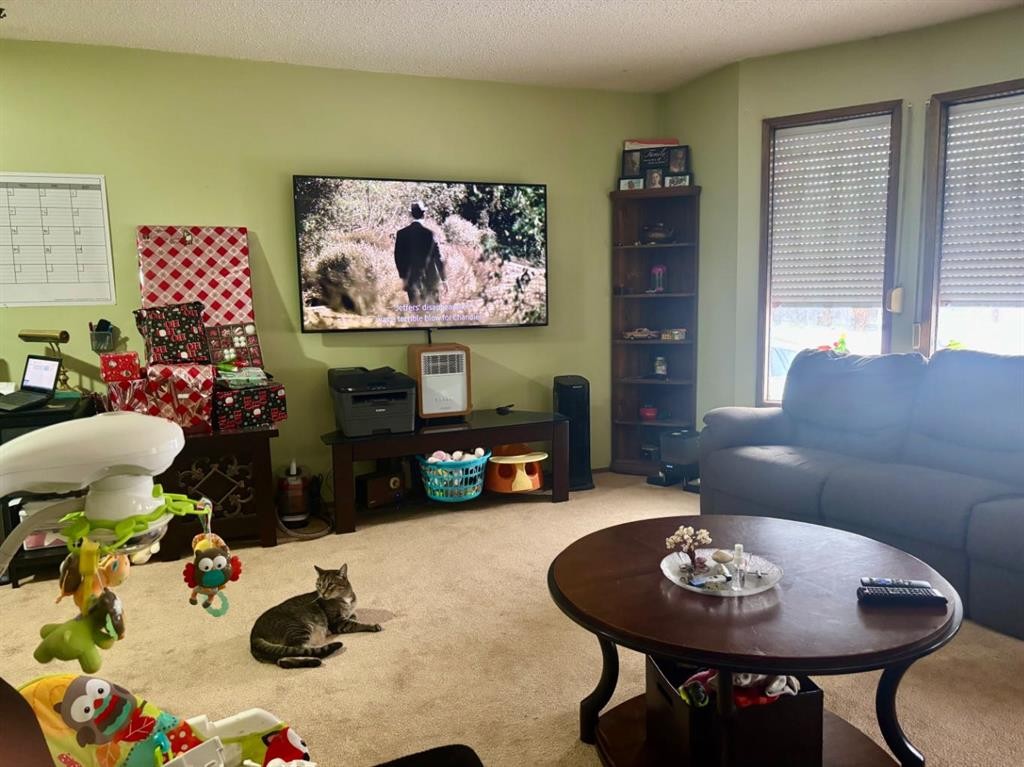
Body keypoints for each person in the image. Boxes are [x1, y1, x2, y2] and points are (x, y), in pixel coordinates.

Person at [394, 201, 446, 305]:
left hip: (411, 279)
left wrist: (403, 277)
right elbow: (438, 257)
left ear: (411, 214)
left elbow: (398, 258)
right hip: (430, 279)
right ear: (424, 214)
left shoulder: (401, 234)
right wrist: (444, 279)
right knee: (432, 311)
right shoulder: (430, 234)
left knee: (416, 310)